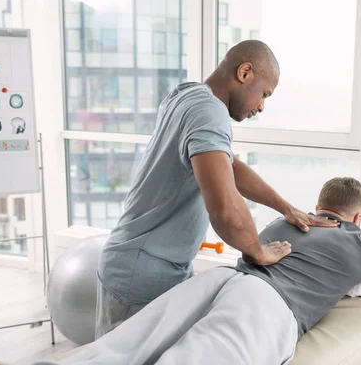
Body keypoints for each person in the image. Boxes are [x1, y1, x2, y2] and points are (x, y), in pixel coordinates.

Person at [11, 177, 361, 365]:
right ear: (357, 217)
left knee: (132, 341)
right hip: (266, 304)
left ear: (319, 206)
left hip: (223, 279)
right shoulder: (357, 243)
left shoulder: (285, 221)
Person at [95, 40, 337, 338]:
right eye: (264, 94)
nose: (261, 106)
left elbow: (230, 167)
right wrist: (258, 252)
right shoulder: (210, 112)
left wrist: (285, 208)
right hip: (141, 271)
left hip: (149, 263)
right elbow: (225, 211)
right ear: (245, 72)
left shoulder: (186, 94)